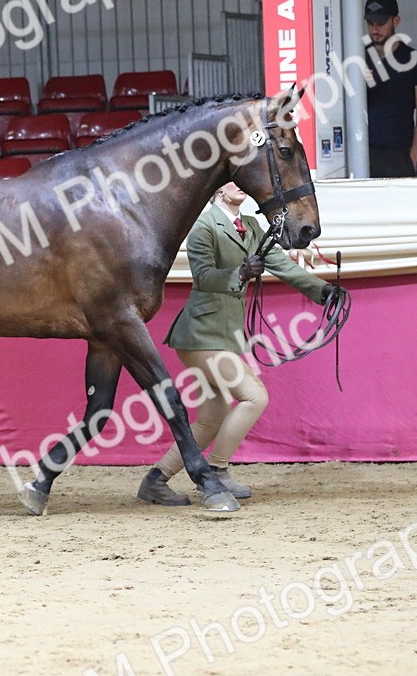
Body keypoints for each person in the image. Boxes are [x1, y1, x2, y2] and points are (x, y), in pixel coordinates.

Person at [136, 182, 334, 510]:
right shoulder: (202, 226)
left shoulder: (254, 227)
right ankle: (216, 471)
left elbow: (283, 267)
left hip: (223, 336)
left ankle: (156, 480)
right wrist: (240, 272)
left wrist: (322, 291)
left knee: (212, 416)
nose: (238, 186)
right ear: (216, 190)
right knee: (254, 396)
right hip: (200, 334)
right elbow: (203, 276)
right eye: (231, 182)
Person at [363, 0, 417, 177]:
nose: (375, 29)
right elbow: (338, 106)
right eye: (370, 23)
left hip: (400, 154)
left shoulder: (416, 59)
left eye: (381, 23)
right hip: (362, 152)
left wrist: (414, 157)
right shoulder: (357, 60)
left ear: (396, 21)